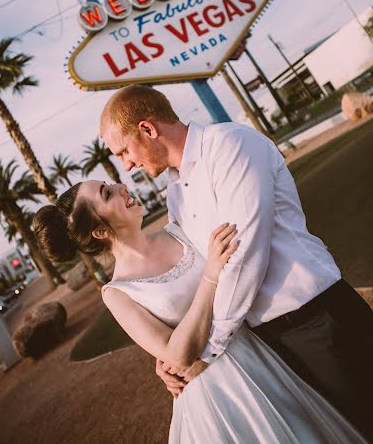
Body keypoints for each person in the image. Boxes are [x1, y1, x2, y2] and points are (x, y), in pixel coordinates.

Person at [99, 84, 373, 441]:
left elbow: (244, 260)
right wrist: (169, 351)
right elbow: (199, 275)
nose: (127, 164)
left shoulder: (229, 145)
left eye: (124, 151)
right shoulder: (175, 192)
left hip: (316, 320)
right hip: (265, 346)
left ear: (148, 130)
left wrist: (204, 352)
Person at [33, 181, 365, 443]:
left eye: (111, 184)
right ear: (100, 232)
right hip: (221, 392)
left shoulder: (181, 229)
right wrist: (211, 274)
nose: (122, 187)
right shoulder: (118, 292)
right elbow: (178, 356)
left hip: (265, 351)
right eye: (107, 194)